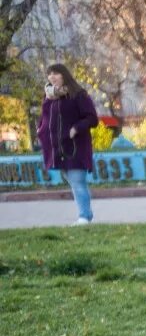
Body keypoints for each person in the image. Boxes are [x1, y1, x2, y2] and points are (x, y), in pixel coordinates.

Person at [36, 64, 99, 225]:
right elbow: (44, 117)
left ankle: (84, 217)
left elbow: (92, 119)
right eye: (49, 74)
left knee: (78, 181)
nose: (52, 77)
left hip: (75, 147)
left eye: (55, 73)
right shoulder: (49, 96)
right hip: (57, 148)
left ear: (64, 75)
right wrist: (40, 130)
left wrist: (76, 128)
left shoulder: (78, 95)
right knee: (74, 182)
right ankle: (86, 215)